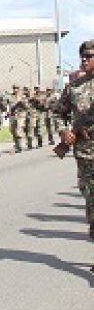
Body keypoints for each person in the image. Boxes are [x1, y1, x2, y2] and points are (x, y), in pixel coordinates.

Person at [56, 40, 94, 240]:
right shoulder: (75, 87)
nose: (85, 59)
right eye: (83, 56)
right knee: (89, 197)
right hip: (85, 151)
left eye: (89, 56)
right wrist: (64, 131)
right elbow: (58, 113)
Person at [8, 85, 28, 153]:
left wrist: (21, 102)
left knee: (18, 129)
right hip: (13, 115)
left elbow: (26, 107)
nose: (15, 90)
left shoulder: (22, 97)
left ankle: (19, 146)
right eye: (14, 88)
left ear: (19, 89)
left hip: (20, 115)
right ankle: (16, 144)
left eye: (16, 88)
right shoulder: (11, 97)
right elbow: (9, 106)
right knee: (12, 130)